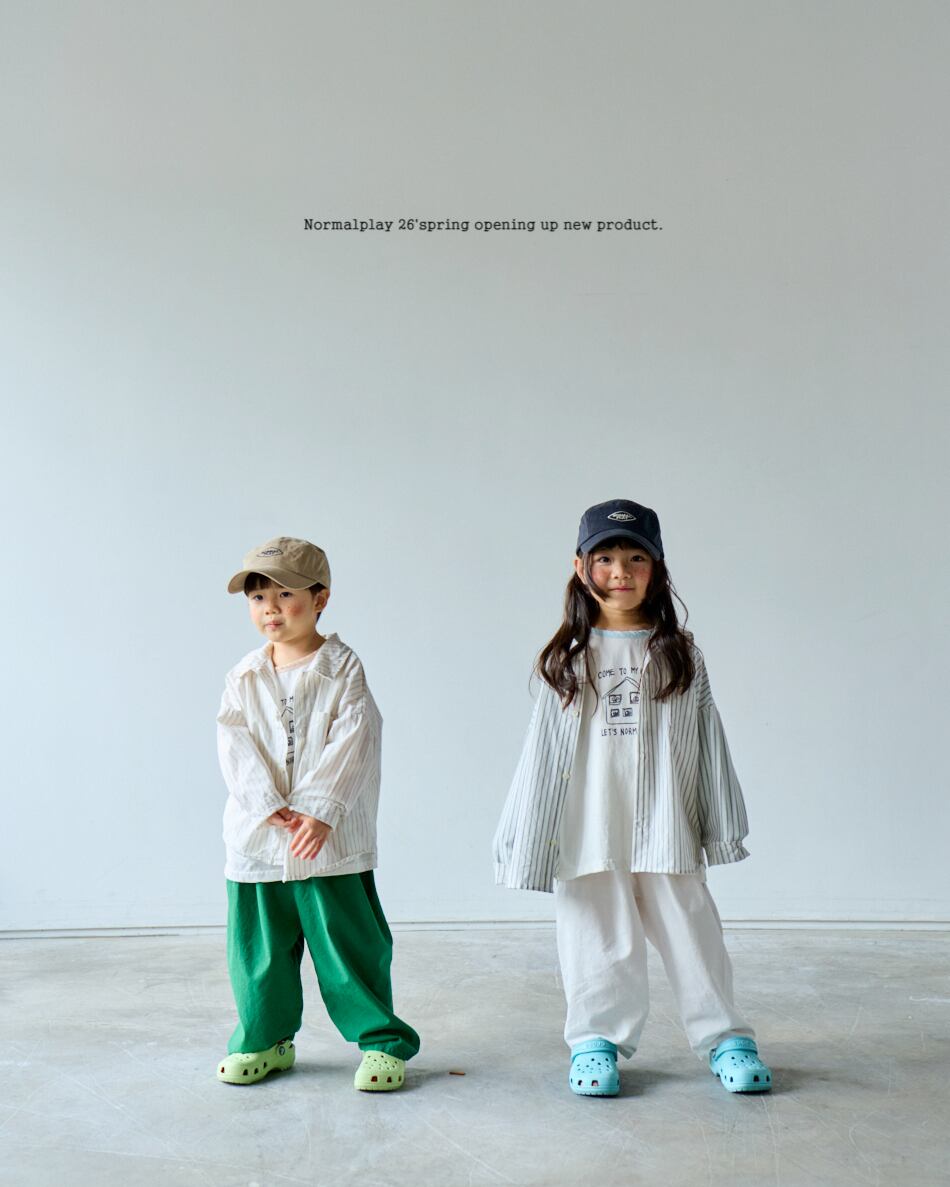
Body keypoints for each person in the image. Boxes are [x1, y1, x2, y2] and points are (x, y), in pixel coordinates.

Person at [493, 500, 771, 1097]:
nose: (621, 571)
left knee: (692, 930)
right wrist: (527, 836)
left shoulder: (679, 654)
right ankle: (596, 1041)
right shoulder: (566, 660)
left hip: (665, 821)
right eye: (606, 558)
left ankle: (725, 1037)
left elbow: (707, 742)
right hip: (589, 826)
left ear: (657, 567)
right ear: (580, 567)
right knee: (595, 936)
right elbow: (541, 754)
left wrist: (719, 827)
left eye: (636, 558)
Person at [215, 536, 419, 1090]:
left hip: (328, 841)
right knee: (259, 953)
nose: (271, 609)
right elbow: (234, 744)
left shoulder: (343, 667)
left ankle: (381, 1042)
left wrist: (320, 810)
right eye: (258, 597)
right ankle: (266, 1040)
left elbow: (356, 738)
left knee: (349, 947)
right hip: (258, 840)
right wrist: (266, 806)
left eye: (285, 594)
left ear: (320, 598)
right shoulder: (243, 676)